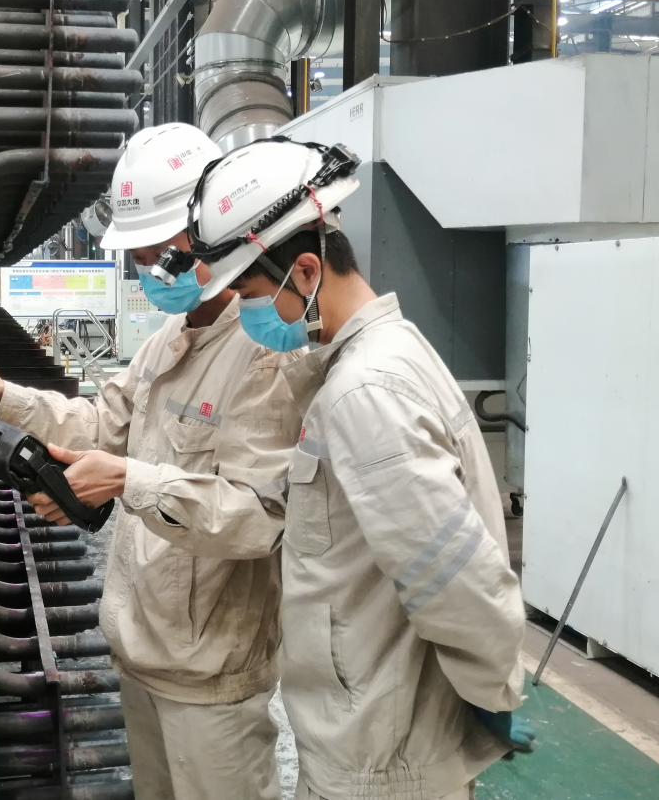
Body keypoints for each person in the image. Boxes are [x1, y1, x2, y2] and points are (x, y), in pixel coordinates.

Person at [0, 123, 300, 800]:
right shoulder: (169, 339)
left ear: (210, 235)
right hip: (143, 646)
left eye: (160, 251)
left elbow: (259, 517)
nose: (148, 268)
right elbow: (102, 423)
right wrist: (0, 391)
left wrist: (129, 479)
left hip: (210, 670)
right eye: (138, 254)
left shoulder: (262, 354)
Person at [158, 135, 530, 800]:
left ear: (306, 271)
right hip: (371, 741)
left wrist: (487, 697)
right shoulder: (375, 360)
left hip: (380, 763)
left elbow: (456, 579)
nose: (247, 313)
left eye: (251, 292)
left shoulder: (366, 393)